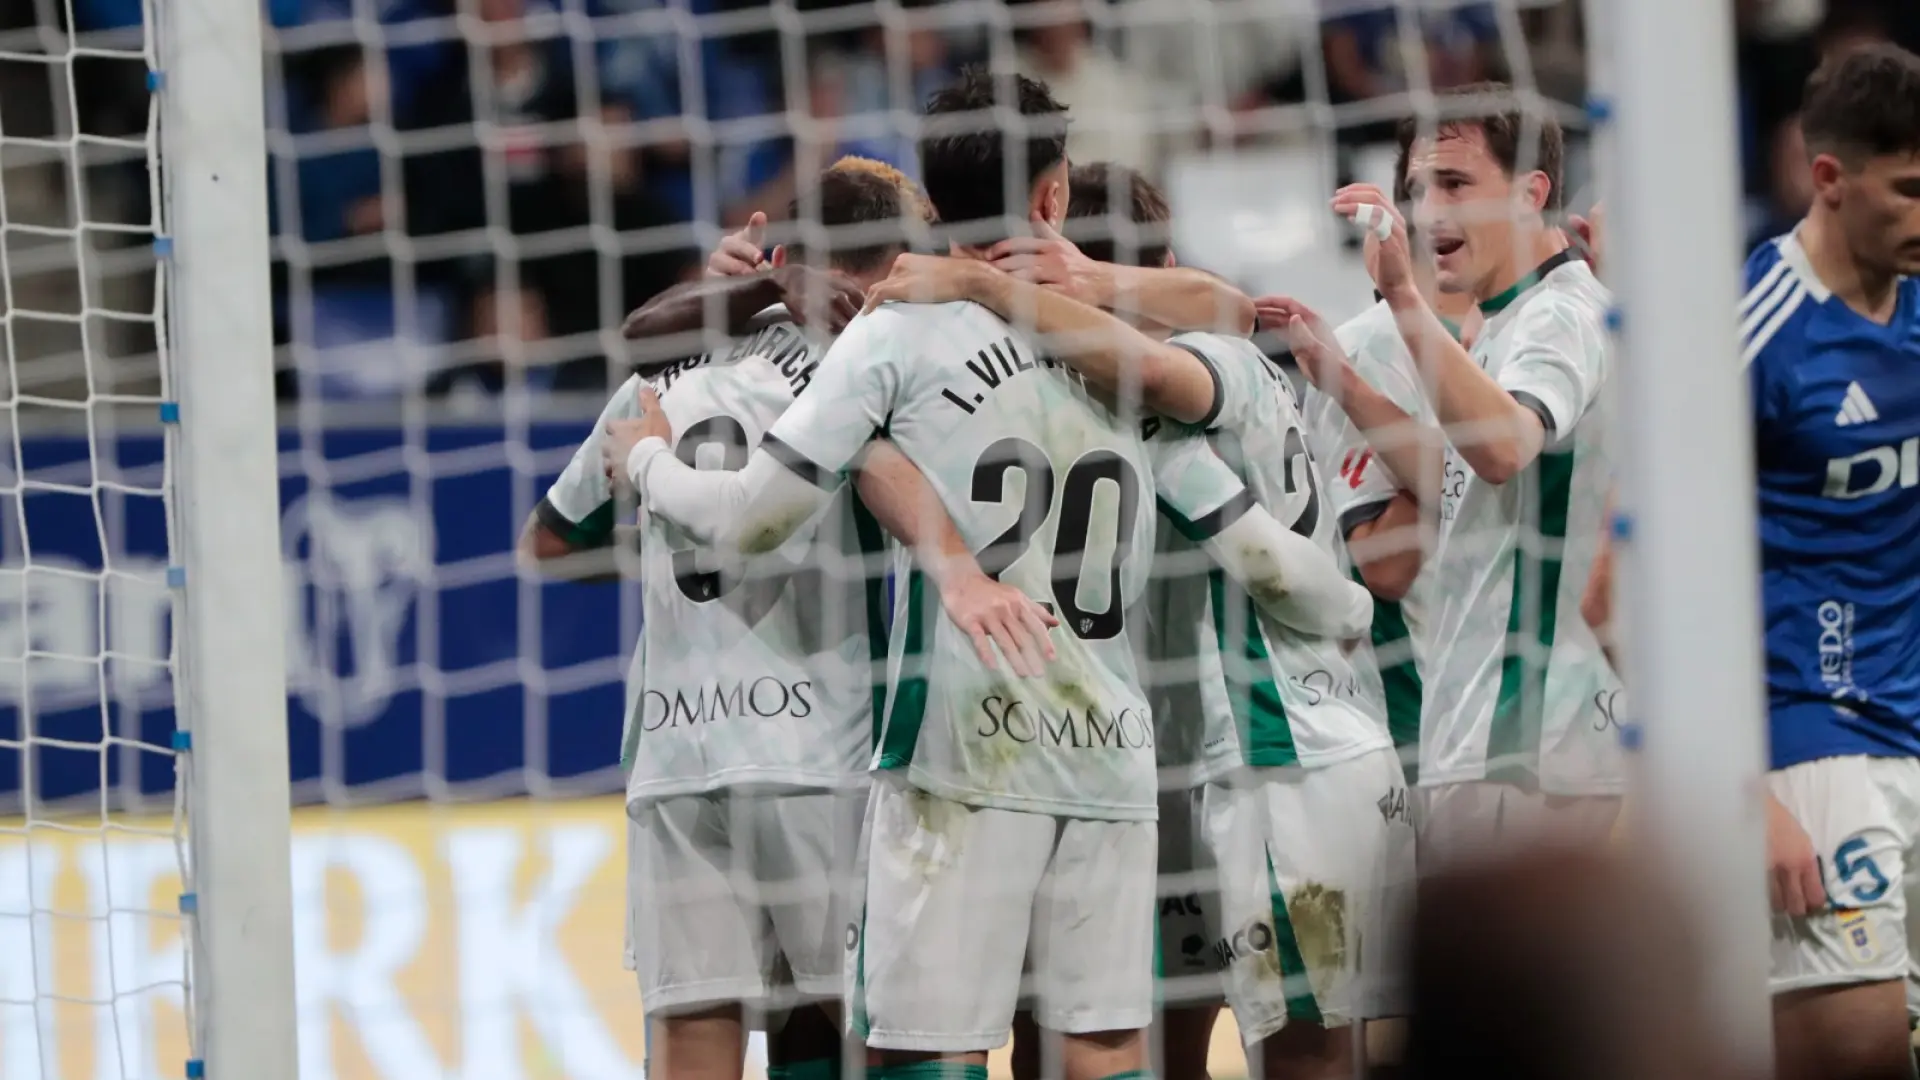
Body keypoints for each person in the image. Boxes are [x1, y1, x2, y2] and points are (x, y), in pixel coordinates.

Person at [603, 68, 1374, 1080]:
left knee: (924, 1055)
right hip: (1109, 755)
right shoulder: (1131, 351)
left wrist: (649, 459)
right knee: (1099, 1052)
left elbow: (751, 518)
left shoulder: (895, 335)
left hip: (961, 761)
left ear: (932, 193)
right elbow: (1229, 322)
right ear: (1050, 197)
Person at [866, 161, 1413, 1080]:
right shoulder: (1226, 368)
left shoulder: (1169, 398)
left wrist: (977, 283)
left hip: (1265, 761)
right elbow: (1220, 307)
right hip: (1235, 757)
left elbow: (1262, 550)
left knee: (1288, 1056)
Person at [519, 157, 1055, 1080]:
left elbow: (549, 542)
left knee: (694, 1035)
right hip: (823, 753)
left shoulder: (660, 376)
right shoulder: (869, 368)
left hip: (676, 760)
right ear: (889, 264)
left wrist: (666, 539)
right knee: (866, 1030)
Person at [1272, 82, 1624, 866]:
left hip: (1527, 734)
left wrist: (1400, 297)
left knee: (1509, 988)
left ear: (1533, 191)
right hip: (1499, 729)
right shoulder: (1503, 322)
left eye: (1457, 184)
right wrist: (1349, 386)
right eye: (1418, 189)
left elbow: (1503, 448)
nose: (1430, 212)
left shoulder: (1558, 315)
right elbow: (1469, 480)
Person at [1743, 44, 1920, 1080]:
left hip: (1912, 720)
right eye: (1909, 190)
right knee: (1856, 1056)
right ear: (1829, 179)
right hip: (1804, 736)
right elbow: (1621, 592)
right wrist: (1743, 791)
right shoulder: (1755, 330)